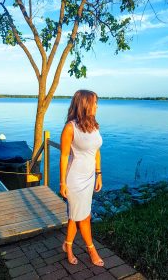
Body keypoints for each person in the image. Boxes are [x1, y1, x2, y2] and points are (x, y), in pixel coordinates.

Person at [60, 89, 104, 266]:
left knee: (75, 215)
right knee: (84, 217)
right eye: (94, 102)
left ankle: (68, 246)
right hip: (75, 179)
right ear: (85, 104)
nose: (97, 106)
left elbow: (96, 151)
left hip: (89, 177)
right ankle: (91, 249)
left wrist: (99, 173)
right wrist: (62, 182)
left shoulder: (94, 125)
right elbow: (64, 156)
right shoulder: (70, 128)